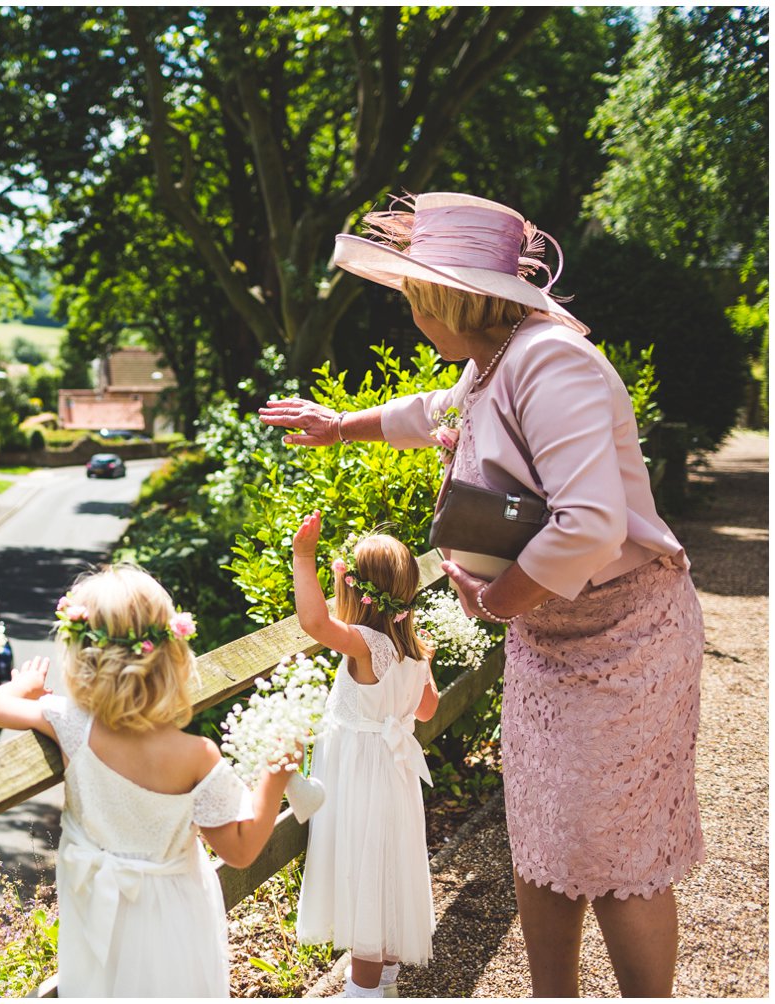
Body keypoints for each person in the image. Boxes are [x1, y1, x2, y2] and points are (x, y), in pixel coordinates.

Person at [259, 192, 704, 997]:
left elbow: (592, 525)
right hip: (548, 638)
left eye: (410, 294)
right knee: (538, 831)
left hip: (624, 637)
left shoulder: (551, 361)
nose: (407, 311)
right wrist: (341, 424)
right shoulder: (490, 365)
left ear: (442, 296)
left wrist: (498, 602)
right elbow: (433, 413)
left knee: (619, 850)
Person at [0, 563, 297, 997]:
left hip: (94, 908)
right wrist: (274, 779)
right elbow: (240, 851)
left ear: (80, 657)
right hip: (174, 918)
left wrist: (29, 686)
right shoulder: (196, 756)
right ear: (170, 655)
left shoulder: (68, 723)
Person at [289, 512, 440, 998]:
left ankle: (364, 993)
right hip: (393, 778)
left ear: (358, 592)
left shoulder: (366, 644)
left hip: (362, 777)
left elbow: (314, 621)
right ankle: (386, 986)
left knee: (365, 884)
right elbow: (427, 707)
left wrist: (304, 558)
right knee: (386, 876)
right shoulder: (414, 648)